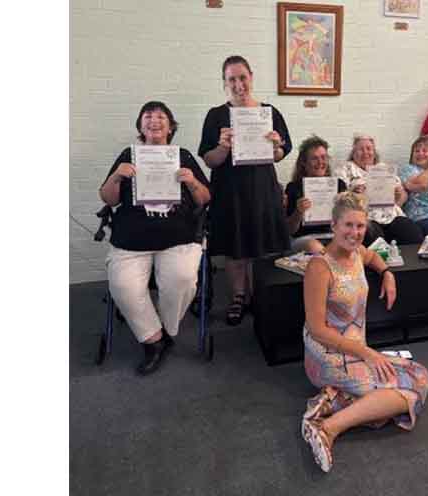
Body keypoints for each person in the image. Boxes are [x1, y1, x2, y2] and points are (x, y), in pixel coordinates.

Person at [301, 192, 428, 473]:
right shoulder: (319, 267)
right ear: (333, 226)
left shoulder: (358, 252)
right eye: (348, 225)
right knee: (408, 390)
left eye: (360, 226)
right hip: (327, 356)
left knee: (419, 374)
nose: (355, 232)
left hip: (358, 352)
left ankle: (334, 401)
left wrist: (387, 273)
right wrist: (366, 352)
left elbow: (372, 256)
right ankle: (328, 427)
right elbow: (316, 329)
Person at [99, 101, 211, 375]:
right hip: (132, 239)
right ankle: (154, 340)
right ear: (140, 126)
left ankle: (166, 327)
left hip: (179, 237)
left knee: (182, 279)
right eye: (148, 116)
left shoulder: (182, 156)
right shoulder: (129, 155)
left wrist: (192, 182)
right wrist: (117, 177)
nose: (154, 120)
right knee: (122, 284)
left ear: (170, 127)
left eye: (161, 116)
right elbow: (108, 199)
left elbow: (205, 198)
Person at [198, 55, 293, 326]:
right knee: (235, 248)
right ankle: (239, 296)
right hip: (229, 190)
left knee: (262, 247)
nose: (238, 84)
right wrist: (223, 147)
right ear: (224, 82)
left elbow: (281, 154)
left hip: (262, 188)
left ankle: (260, 295)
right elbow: (209, 160)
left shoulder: (269, 112)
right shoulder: (216, 115)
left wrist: (275, 147)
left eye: (243, 77)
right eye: (232, 79)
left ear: (251, 76)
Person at [333, 133, 423, 246]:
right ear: (353, 153)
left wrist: (399, 195)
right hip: (365, 217)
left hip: (392, 215)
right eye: (361, 149)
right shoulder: (345, 169)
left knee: (412, 232)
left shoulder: (384, 168)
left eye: (369, 149)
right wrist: (353, 193)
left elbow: (403, 197)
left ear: (374, 152)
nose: (365, 152)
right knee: (374, 236)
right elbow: (338, 198)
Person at [284, 135, 347, 253]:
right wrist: (299, 212)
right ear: (304, 162)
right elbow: (290, 230)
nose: (320, 162)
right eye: (314, 158)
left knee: (355, 246)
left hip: (333, 236)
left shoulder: (339, 185)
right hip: (305, 239)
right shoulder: (294, 188)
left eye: (323, 157)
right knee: (314, 246)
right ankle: (330, 262)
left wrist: (348, 205)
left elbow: (348, 222)